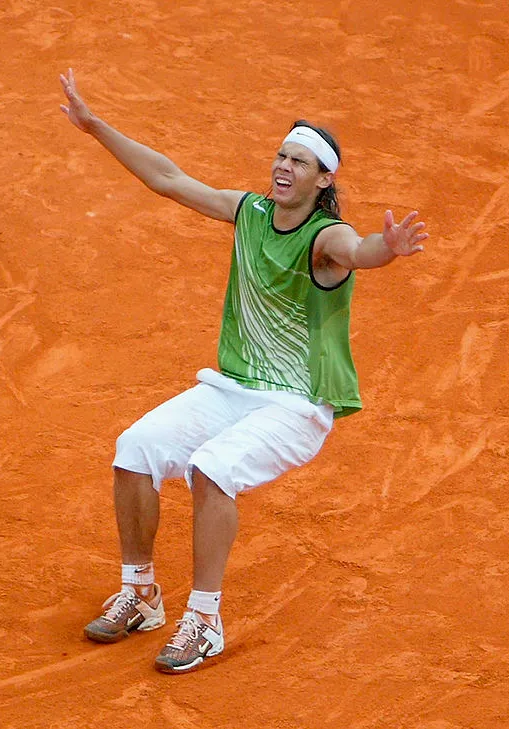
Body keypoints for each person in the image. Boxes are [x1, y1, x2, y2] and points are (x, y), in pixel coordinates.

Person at [58, 68, 427, 674]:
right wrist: (95, 125)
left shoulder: (325, 237)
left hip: (297, 405)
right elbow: (168, 179)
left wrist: (387, 248)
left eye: (299, 162)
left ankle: (205, 621)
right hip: (233, 387)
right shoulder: (249, 212)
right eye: (281, 156)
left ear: (324, 180)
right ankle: (141, 593)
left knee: (212, 469)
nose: (283, 167)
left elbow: (359, 252)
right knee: (135, 449)